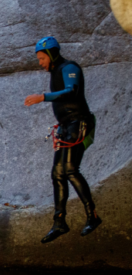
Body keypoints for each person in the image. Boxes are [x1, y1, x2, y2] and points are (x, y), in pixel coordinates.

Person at [25, 36, 102, 243]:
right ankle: (59, 222)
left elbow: (72, 91)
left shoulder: (70, 67)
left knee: (69, 170)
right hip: (66, 127)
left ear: (51, 54)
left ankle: (92, 216)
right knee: (57, 173)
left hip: (79, 124)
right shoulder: (55, 72)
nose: (40, 63)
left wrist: (43, 97)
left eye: (42, 58)